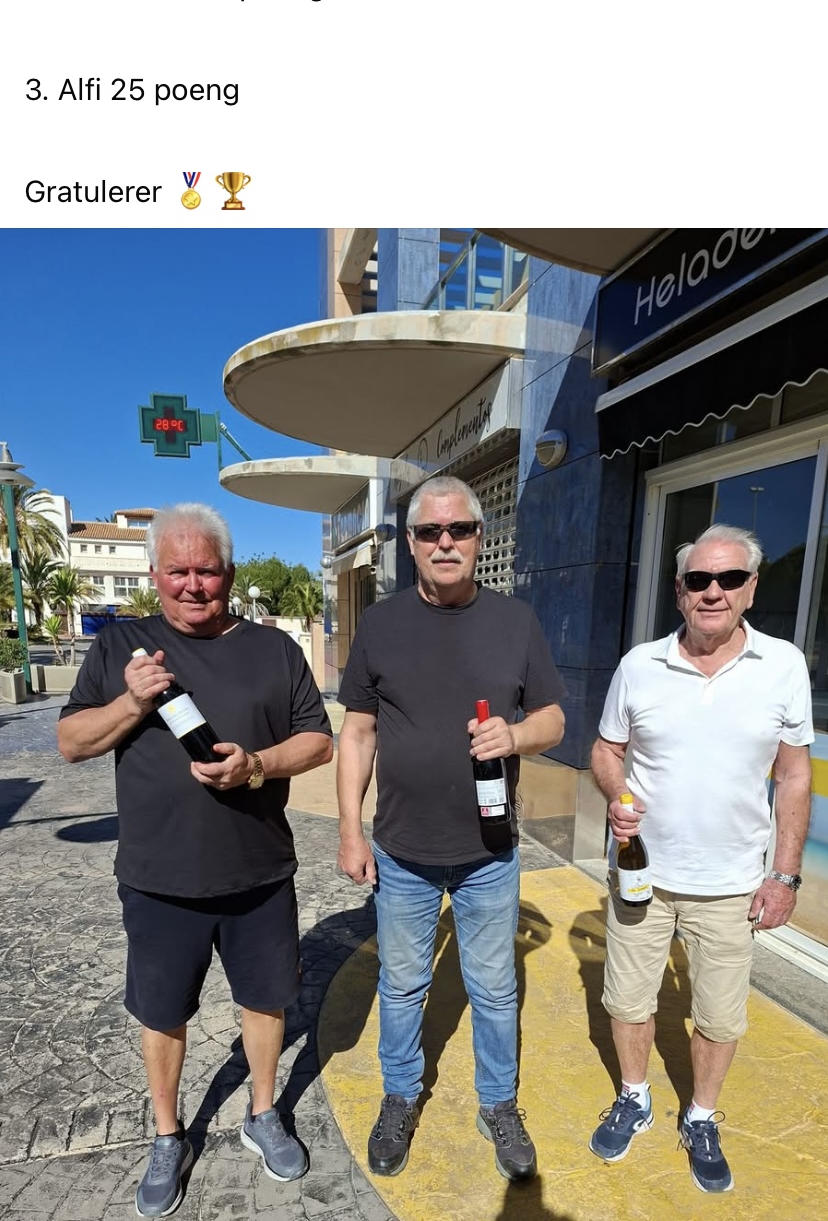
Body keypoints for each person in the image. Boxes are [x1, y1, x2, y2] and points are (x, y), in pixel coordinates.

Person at [57, 503, 333, 1217]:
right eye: (176, 570)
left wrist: (256, 764)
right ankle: (167, 1134)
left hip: (259, 872)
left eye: (205, 570)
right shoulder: (122, 646)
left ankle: (263, 1113)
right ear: (154, 574)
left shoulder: (274, 648)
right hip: (159, 878)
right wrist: (132, 701)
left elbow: (318, 742)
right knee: (162, 1010)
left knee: (266, 1000)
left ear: (229, 573)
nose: (192, 584)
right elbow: (72, 742)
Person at [336, 476, 565, 1183]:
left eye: (459, 529)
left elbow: (554, 719)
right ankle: (401, 1094)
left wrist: (515, 735)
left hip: (489, 853)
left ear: (479, 537)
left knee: (493, 989)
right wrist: (350, 830)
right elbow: (357, 734)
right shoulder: (380, 625)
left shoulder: (515, 622)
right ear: (410, 543)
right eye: (430, 531)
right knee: (404, 984)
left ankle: (498, 1103)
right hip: (401, 851)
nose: (445, 542)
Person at [589, 524, 813, 1194]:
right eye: (699, 579)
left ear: (751, 589)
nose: (713, 591)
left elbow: (793, 776)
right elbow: (606, 750)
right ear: (679, 590)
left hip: (733, 883)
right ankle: (634, 1096)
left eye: (730, 578)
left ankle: (702, 1115)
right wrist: (618, 794)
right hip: (641, 872)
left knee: (718, 1014)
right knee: (628, 998)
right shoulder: (640, 665)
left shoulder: (783, 666)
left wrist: (784, 874)